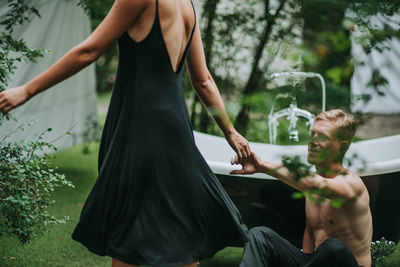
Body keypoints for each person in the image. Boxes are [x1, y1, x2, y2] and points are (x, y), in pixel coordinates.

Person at [0, 0, 252, 266]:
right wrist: (231, 132)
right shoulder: (186, 4)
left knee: (127, 234)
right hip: (176, 132)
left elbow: (89, 50)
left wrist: (26, 90)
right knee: (180, 231)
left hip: (141, 129)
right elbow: (203, 80)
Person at [231, 109, 372, 267]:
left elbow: (317, 184)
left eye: (323, 137)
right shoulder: (311, 187)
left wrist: (262, 166)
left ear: (342, 147)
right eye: (313, 134)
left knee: (334, 248)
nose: (312, 141)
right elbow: (311, 231)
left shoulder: (351, 184)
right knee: (259, 235)